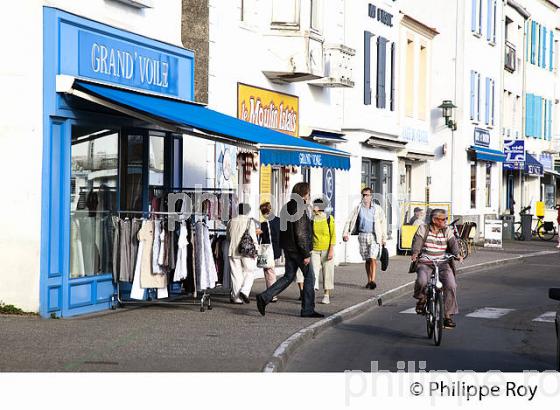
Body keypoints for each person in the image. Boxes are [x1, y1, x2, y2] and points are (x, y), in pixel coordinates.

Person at [256, 182, 324, 318]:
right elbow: (300, 233)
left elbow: (283, 229)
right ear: (304, 194)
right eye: (308, 193)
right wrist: (305, 253)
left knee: (288, 276)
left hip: (289, 249)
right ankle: (307, 309)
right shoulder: (300, 208)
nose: (309, 196)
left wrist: (284, 247)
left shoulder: (286, 207)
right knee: (310, 277)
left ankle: (264, 297)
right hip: (299, 250)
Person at [411, 208, 462, 329]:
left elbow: (453, 243)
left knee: (451, 285)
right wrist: (415, 253)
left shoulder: (447, 230)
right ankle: (421, 298)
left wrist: (457, 254)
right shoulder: (423, 228)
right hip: (425, 262)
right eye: (443, 219)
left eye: (446, 219)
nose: (445, 221)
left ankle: (447, 316)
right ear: (434, 220)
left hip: (443, 263)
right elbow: (417, 242)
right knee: (422, 280)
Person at [342, 187, 387, 290]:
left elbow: (383, 223)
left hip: (374, 236)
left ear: (371, 196)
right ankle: (368, 280)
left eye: (367, 195)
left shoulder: (377, 209)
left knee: (373, 258)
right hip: (362, 235)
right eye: (363, 195)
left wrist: (384, 238)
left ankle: (373, 280)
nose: (365, 197)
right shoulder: (358, 208)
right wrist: (346, 233)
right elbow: (349, 220)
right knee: (367, 259)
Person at [227, 203, 258, 304]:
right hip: (247, 251)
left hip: (233, 250)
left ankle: (236, 298)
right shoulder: (250, 222)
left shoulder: (231, 221)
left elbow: (228, 236)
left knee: (236, 274)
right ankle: (244, 291)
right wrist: (256, 249)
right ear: (247, 211)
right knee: (250, 271)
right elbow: (253, 237)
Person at [310, 198, 336, 304]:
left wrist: (331, 250)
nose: (312, 207)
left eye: (314, 206)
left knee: (328, 273)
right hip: (314, 250)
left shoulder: (329, 218)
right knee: (313, 272)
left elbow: (333, 235)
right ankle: (314, 290)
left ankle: (326, 295)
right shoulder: (312, 219)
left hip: (326, 249)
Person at [259, 202, 281, 302]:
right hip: (276, 249)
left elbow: (263, 237)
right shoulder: (278, 220)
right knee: (271, 271)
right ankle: (271, 292)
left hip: (267, 250)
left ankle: (272, 293)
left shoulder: (264, 224)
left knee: (269, 272)